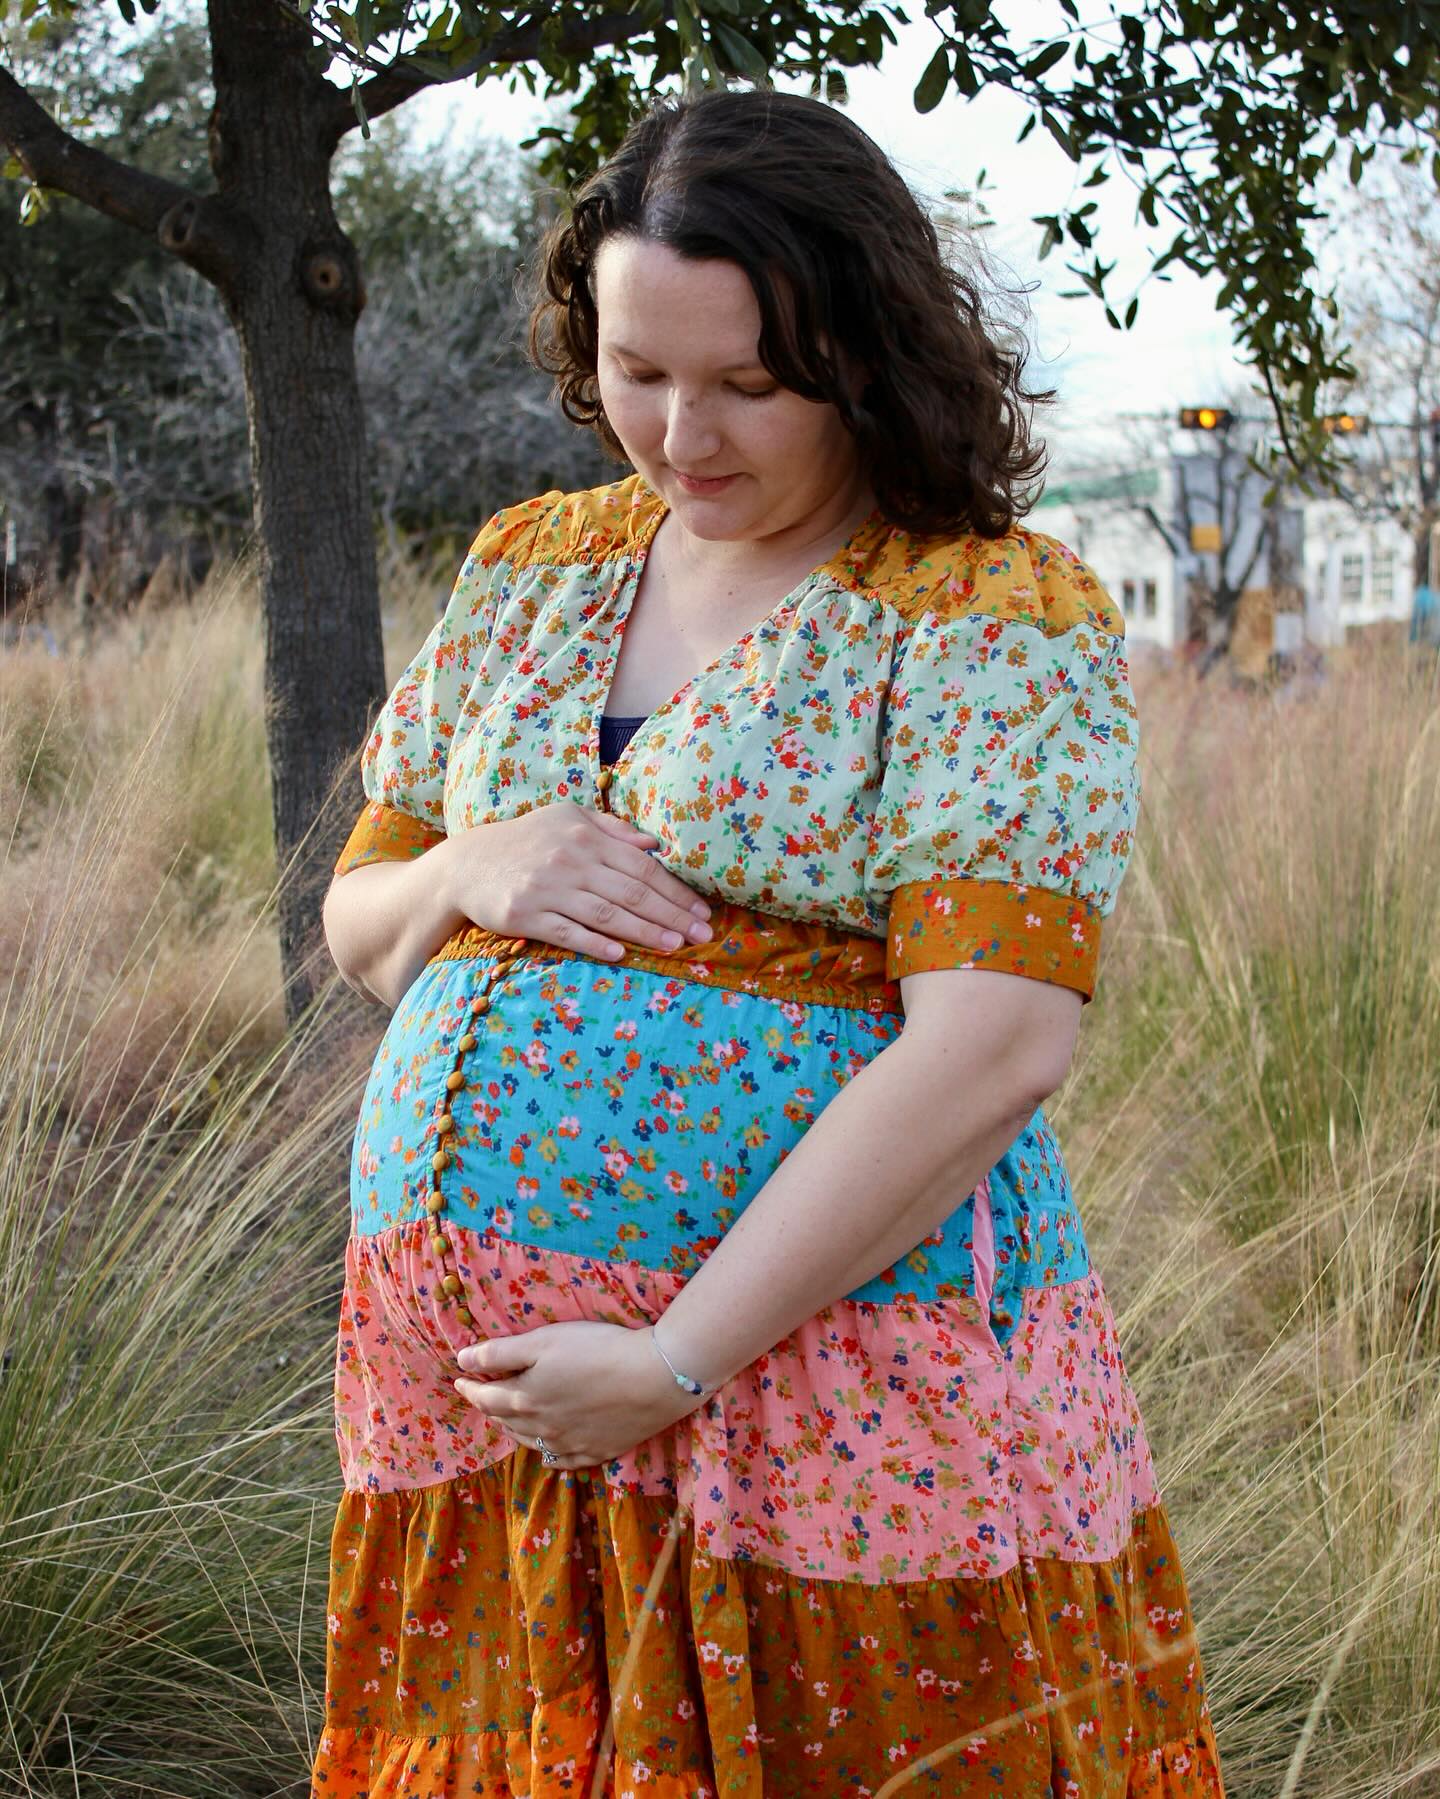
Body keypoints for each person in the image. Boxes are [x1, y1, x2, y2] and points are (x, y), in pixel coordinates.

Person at [312, 85, 1225, 1798]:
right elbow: (362, 932)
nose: (680, 432)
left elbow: (996, 1046)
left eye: (747, 382)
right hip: (498, 1429)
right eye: (639, 371)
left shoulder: (978, 610)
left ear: (863, 352)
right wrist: (471, 871)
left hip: (820, 1402)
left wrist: (669, 1360)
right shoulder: (531, 569)